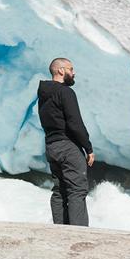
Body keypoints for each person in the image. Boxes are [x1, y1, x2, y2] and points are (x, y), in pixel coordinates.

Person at [37, 57, 95, 226]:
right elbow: (74, 122)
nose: (74, 72)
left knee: (59, 190)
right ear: (61, 71)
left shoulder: (44, 92)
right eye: (71, 68)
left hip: (51, 146)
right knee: (77, 190)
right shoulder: (65, 92)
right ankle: (78, 232)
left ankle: (61, 230)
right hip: (68, 146)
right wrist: (88, 148)